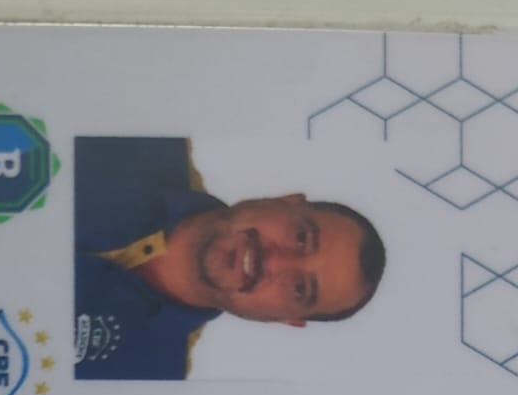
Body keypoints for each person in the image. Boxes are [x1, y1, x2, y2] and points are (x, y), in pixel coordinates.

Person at [74, 137, 386, 379]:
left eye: (299, 288)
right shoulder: (142, 141)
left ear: (285, 319)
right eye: (301, 238)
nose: (274, 262)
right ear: (286, 200)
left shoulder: (148, 377)